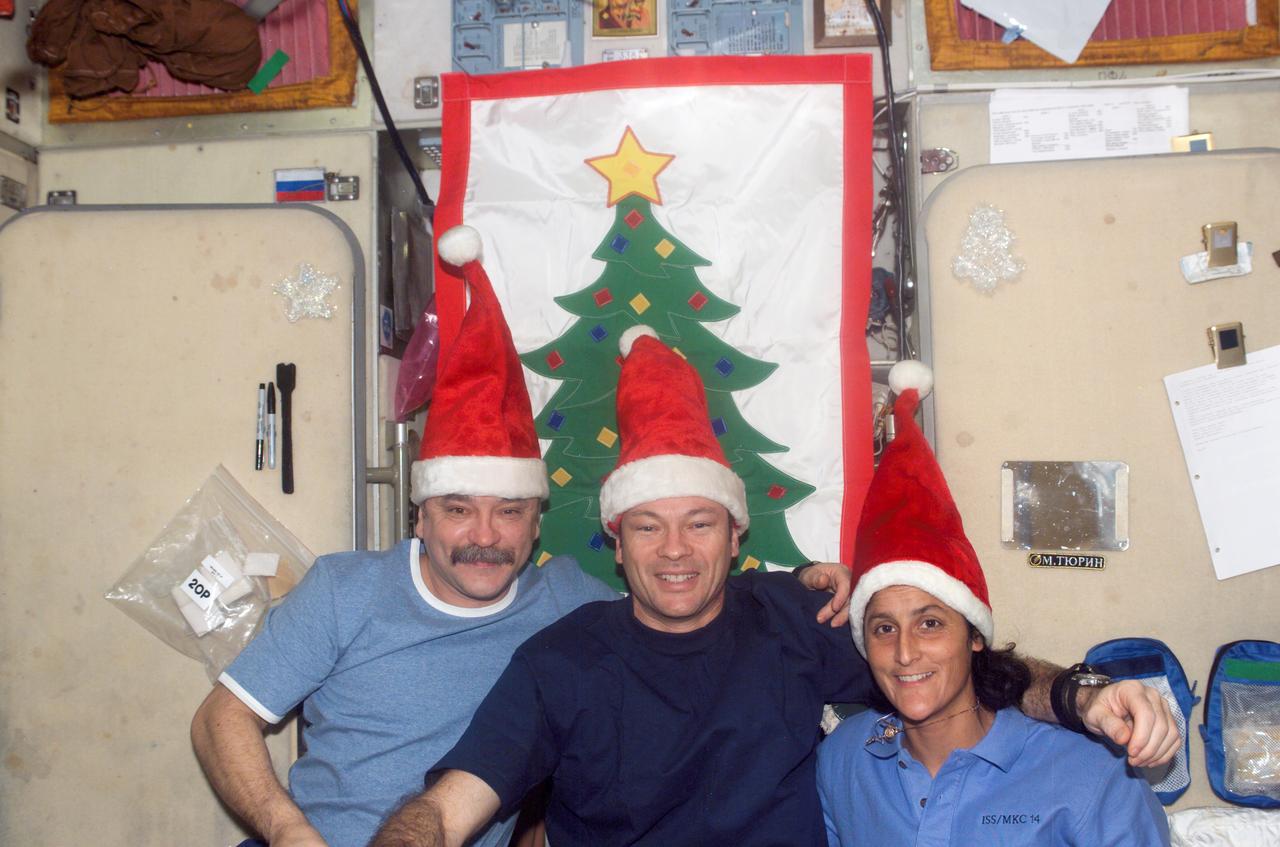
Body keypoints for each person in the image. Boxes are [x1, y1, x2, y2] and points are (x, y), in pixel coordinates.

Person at [371, 334, 1180, 847]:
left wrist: (1079, 695)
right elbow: (449, 806)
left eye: (700, 522)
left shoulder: (798, 615)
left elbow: (957, 665)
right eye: (648, 526)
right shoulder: (564, 658)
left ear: (737, 533)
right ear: (616, 541)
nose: (677, 550)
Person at [189, 227, 848, 847]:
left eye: (508, 510)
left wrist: (821, 580)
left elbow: (675, 593)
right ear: (418, 514)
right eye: (457, 509)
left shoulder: (566, 603)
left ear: (538, 522)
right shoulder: (346, 589)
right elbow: (221, 716)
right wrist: (288, 830)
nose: (484, 536)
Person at [817, 365, 1170, 846]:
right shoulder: (845, 760)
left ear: (976, 635)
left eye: (930, 623)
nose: (905, 652)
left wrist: (1086, 692)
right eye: (883, 629)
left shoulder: (1091, 778)